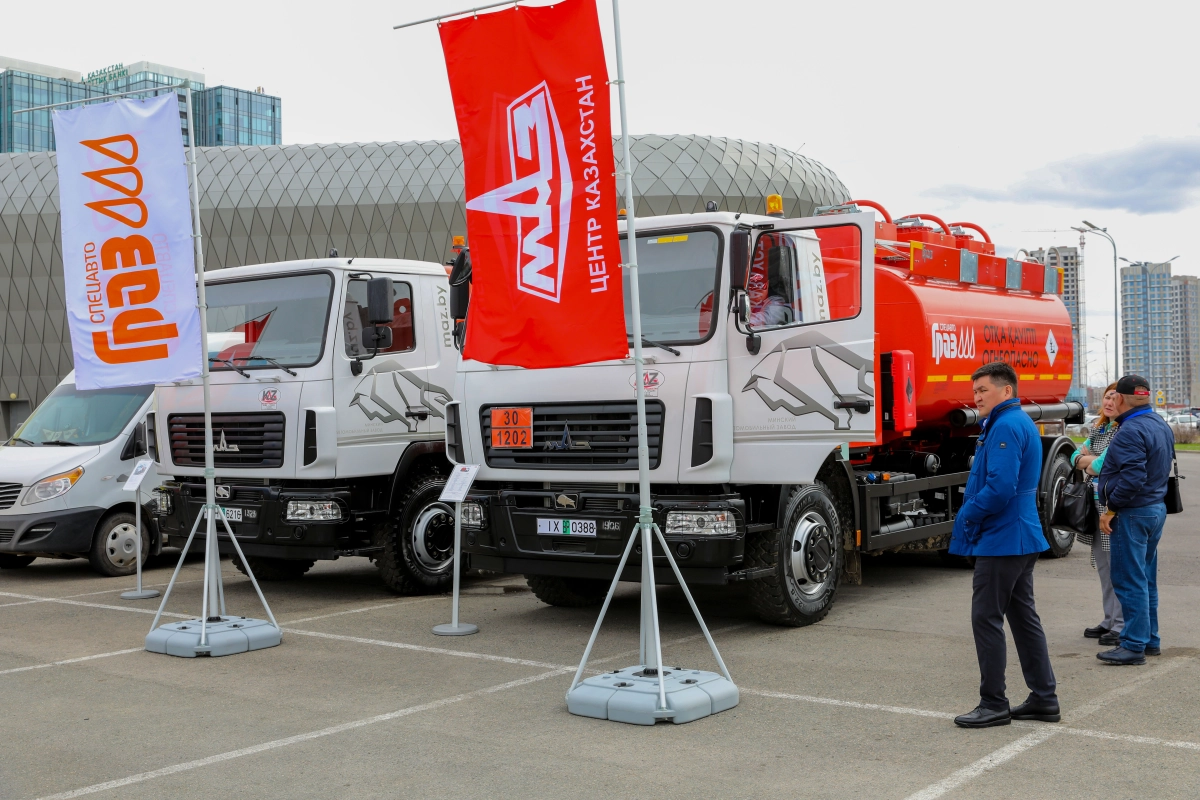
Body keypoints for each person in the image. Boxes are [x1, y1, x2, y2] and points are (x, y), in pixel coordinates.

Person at [949, 362, 1059, 728]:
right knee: (1024, 619)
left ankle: (993, 702)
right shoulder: (1013, 422)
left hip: (1005, 538)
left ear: (1006, 391)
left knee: (986, 618)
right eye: (975, 390)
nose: (976, 396)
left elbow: (999, 488)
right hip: (1018, 534)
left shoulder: (1006, 426)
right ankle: (1044, 699)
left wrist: (967, 515)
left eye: (983, 390)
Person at [1095, 374, 1176, 665]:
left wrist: (1111, 509)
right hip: (1154, 509)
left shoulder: (1129, 430)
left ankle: (1132, 645)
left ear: (1120, 398)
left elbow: (1132, 478)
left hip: (1132, 513)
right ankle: (1149, 639)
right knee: (1145, 580)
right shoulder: (1159, 424)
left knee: (1129, 581)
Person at [1071, 383, 1123, 646]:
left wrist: (1088, 461)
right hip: (1094, 507)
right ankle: (1108, 619)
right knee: (1103, 566)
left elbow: (1103, 465)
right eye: (1106, 396)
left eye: (1115, 397)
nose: (1109, 401)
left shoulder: (1122, 431)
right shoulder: (1099, 428)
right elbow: (1073, 456)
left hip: (1112, 507)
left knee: (1117, 567)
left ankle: (1120, 624)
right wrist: (1087, 460)